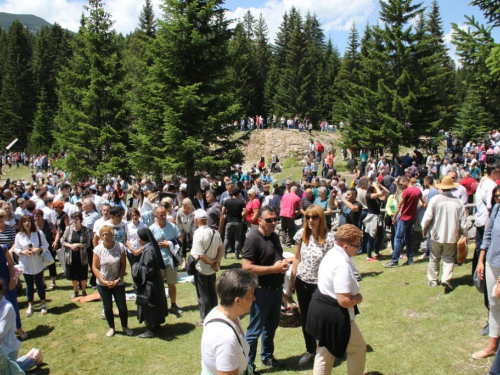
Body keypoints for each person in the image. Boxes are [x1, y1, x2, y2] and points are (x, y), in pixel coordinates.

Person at [306, 224, 367, 375]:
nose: (358, 248)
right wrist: (358, 298)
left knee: (325, 353)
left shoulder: (332, 253)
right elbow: (344, 300)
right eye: (357, 245)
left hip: (322, 311)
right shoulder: (342, 264)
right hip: (334, 316)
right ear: (346, 246)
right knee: (358, 348)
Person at [243, 206, 289, 372]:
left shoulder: (274, 237)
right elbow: (247, 267)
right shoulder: (252, 239)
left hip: (276, 290)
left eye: (275, 219)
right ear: (259, 220)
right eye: (269, 220)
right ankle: (248, 365)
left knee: (270, 327)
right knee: (254, 331)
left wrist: (284, 263)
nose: (273, 222)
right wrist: (273, 269)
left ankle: (267, 357)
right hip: (261, 292)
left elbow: (275, 258)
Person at [289, 205, 335, 366]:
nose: (310, 220)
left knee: (321, 319)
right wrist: (291, 280)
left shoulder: (329, 239)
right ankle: (310, 350)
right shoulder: (301, 235)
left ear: (321, 219)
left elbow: (332, 264)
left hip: (320, 285)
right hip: (302, 282)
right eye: (307, 217)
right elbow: (296, 258)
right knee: (306, 317)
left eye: (314, 217)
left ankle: (325, 350)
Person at [201, 269, 258, 375]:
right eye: (251, 296)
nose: (254, 299)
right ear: (238, 301)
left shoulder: (223, 312)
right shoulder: (225, 338)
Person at [421, 176, 467, 291]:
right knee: (449, 257)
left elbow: (427, 217)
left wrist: (424, 228)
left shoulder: (435, 200)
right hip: (452, 235)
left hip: (436, 234)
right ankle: (446, 278)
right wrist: (465, 233)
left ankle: (432, 280)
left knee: (434, 257)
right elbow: (463, 221)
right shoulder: (458, 202)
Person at [92, 225, 133, 337]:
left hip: (118, 282)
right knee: (107, 307)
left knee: (122, 306)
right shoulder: (98, 249)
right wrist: (103, 281)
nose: (105, 237)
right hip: (103, 284)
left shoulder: (120, 246)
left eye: (107, 234)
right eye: (103, 235)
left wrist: (118, 279)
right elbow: (95, 267)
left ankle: (125, 326)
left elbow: (123, 265)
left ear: (112, 235)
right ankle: (112, 328)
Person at [132, 227, 168, 338]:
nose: (137, 239)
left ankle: (150, 329)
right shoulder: (151, 248)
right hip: (155, 282)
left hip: (149, 284)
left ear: (143, 238)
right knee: (156, 304)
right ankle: (156, 325)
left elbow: (149, 270)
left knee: (149, 305)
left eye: (138, 237)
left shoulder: (148, 251)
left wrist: (136, 267)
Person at [191, 209, 224, 326]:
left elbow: (200, 255)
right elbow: (221, 248)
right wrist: (216, 262)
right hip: (212, 268)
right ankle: (214, 315)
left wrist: (211, 263)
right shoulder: (215, 232)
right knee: (212, 293)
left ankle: (205, 318)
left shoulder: (197, 234)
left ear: (196, 220)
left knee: (203, 294)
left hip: (202, 268)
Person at [0, 280, 42, 372]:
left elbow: (0, 333)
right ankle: (29, 355)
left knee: (10, 371)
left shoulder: (7, 308)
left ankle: (34, 359)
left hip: (8, 349)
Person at [384, 177, 426, 268]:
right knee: (408, 239)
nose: (401, 186)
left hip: (403, 217)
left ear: (406, 181)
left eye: (402, 184)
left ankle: (394, 261)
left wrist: (394, 217)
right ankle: (410, 259)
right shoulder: (418, 190)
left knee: (398, 239)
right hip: (411, 218)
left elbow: (399, 206)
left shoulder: (406, 191)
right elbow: (424, 204)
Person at [150, 206, 183, 318]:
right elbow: (147, 244)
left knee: (171, 283)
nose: (164, 216)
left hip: (170, 260)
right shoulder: (152, 229)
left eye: (165, 214)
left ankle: (173, 305)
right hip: (158, 261)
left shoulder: (172, 227)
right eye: (161, 215)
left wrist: (168, 244)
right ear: (156, 215)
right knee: (158, 286)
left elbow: (180, 240)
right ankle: (161, 306)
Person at [14, 215, 49, 316]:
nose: (26, 223)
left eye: (28, 221)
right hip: (26, 264)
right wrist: (23, 251)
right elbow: (16, 249)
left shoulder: (38, 233)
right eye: (24, 222)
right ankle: (30, 304)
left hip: (37, 263)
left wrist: (38, 249)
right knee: (29, 285)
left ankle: (43, 304)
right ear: (21, 224)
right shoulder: (19, 236)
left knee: (39, 284)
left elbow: (45, 245)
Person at [0, 209, 25, 340]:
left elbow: (10, 264)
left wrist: (11, 279)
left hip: (5, 281)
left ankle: (18, 327)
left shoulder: (3, 249)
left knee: (12, 304)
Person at [61, 211, 92, 298]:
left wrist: (78, 245)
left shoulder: (85, 230)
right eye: (73, 219)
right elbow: (62, 241)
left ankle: (84, 291)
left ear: (80, 220)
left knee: (82, 274)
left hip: (82, 255)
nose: (74, 220)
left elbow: (88, 244)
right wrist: (70, 246)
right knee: (73, 274)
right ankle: (76, 291)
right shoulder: (68, 229)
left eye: (76, 219)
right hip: (70, 255)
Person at [33, 209, 58, 289]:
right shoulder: (33, 225)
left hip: (49, 247)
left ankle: (53, 282)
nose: (37, 218)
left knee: (51, 264)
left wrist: (55, 242)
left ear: (42, 216)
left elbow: (57, 233)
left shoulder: (48, 223)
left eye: (39, 216)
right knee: (40, 265)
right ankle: (42, 283)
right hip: (38, 248)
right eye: (35, 216)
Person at [220, 188, 246, 260]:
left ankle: (224, 255)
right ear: (238, 194)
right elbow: (245, 212)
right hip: (238, 222)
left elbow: (223, 211)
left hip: (229, 221)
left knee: (227, 238)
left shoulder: (227, 201)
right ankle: (236, 256)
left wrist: (227, 213)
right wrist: (242, 215)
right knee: (237, 239)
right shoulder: (241, 202)